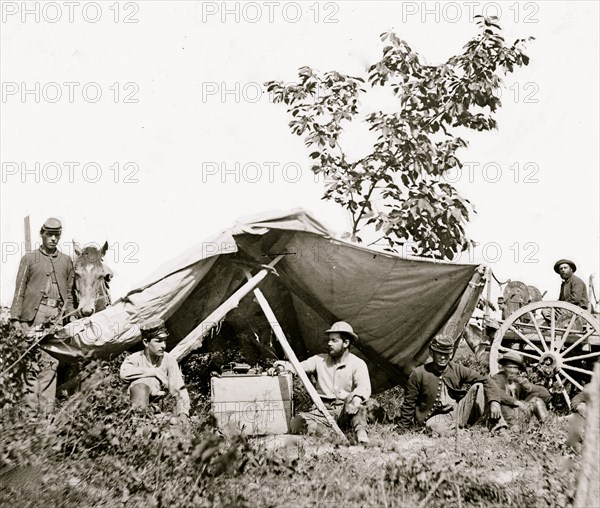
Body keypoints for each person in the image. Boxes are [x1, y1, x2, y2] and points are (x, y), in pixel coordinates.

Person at [10, 218, 75, 413]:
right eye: (50, 235)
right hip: (32, 318)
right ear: (42, 234)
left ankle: (45, 418)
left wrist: (70, 316)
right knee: (30, 366)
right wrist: (15, 319)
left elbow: (70, 293)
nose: (53, 239)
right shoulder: (29, 259)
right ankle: (30, 416)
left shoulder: (66, 261)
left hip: (55, 319)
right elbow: (19, 290)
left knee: (50, 366)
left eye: (57, 235)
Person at [270, 321, 372, 444]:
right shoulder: (319, 360)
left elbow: (364, 387)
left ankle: (361, 435)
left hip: (346, 408)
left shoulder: (358, 363)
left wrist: (355, 399)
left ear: (346, 343)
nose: (329, 343)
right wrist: (281, 367)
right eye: (329, 340)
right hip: (323, 410)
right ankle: (331, 437)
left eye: (334, 341)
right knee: (297, 422)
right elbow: (297, 367)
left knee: (364, 405)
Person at [397, 335, 506, 435]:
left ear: (450, 354)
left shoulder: (457, 369)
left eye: (446, 354)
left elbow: (485, 379)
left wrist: (494, 402)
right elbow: (409, 403)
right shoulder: (419, 373)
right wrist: (402, 428)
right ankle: (462, 432)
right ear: (431, 353)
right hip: (435, 418)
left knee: (479, 387)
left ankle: (499, 429)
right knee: (434, 426)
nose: (443, 357)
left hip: (457, 412)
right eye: (439, 353)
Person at [120, 319, 190, 420]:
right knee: (142, 383)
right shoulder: (134, 359)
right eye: (158, 341)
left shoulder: (169, 360)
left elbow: (180, 390)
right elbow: (124, 374)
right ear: (146, 342)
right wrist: (154, 372)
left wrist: (183, 414)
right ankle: (138, 422)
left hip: (156, 412)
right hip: (131, 412)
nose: (163, 346)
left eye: (165, 340)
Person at [491, 351, 550, 426]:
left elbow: (546, 394)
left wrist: (529, 387)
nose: (512, 371)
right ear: (503, 368)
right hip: (503, 415)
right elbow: (496, 392)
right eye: (509, 367)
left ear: (518, 370)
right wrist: (516, 402)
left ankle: (546, 427)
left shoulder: (518, 381)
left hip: (519, 414)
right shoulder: (497, 378)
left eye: (515, 368)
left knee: (537, 401)